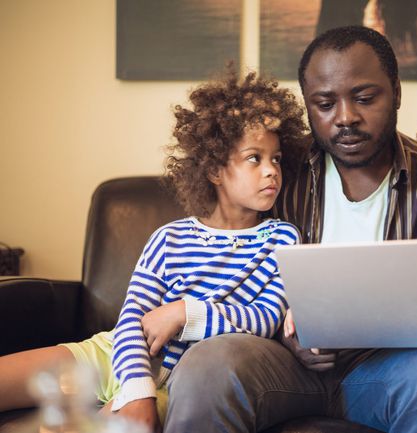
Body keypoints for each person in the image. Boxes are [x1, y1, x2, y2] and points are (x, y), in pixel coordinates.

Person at [164, 26, 417, 433]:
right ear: (307, 105)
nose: (345, 118)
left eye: (364, 98)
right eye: (324, 104)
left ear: (395, 90)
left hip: (398, 366)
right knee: (208, 364)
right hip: (280, 365)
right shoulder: (274, 172)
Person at [0, 70, 307, 432]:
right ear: (214, 170)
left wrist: (184, 313)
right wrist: (137, 389)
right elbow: (133, 318)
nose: (272, 171)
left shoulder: (282, 238)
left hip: (184, 377)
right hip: (119, 353)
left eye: (277, 158)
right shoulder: (169, 238)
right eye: (255, 158)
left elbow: (265, 319)